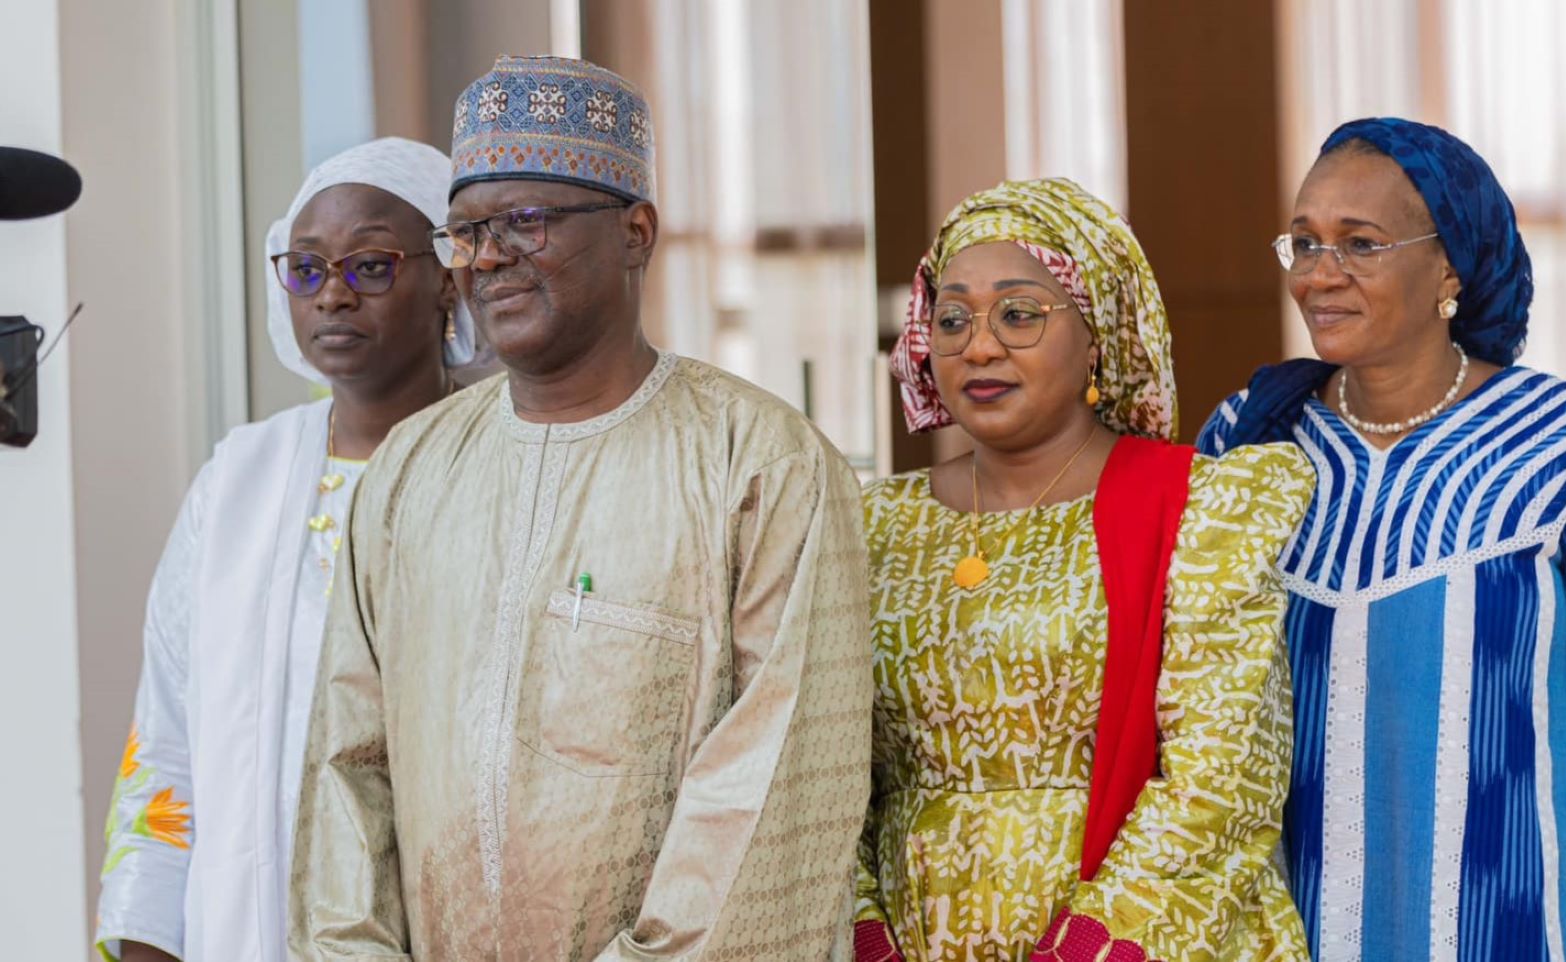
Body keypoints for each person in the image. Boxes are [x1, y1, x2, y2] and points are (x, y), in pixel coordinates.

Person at [287, 56, 872, 962]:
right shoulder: (410, 472)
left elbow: (771, 798)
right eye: (467, 232)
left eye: (526, 221)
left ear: (636, 232)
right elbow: (345, 771)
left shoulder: (759, 464)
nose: (488, 258)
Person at [1199, 117, 1566, 962]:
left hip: (1520, 933)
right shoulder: (1249, 444)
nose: (1320, 276)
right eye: (1303, 244)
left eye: (1359, 244)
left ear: (1449, 266)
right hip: (1294, 938)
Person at [856, 177, 1314, 962]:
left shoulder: (1199, 509)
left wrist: (1090, 950)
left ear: (1097, 331)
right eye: (954, 318)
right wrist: (863, 933)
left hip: (1144, 938)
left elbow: (1224, 781)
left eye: (1020, 314)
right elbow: (825, 776)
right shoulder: (871, 525)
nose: (980, 345)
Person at [94, 137, 477, 962]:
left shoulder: (498, 466)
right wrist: (143, 941)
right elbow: (165, 741)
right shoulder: (239, 477)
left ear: (447, 277)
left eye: (370, 266)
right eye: (307, 270)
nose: (333, 296)